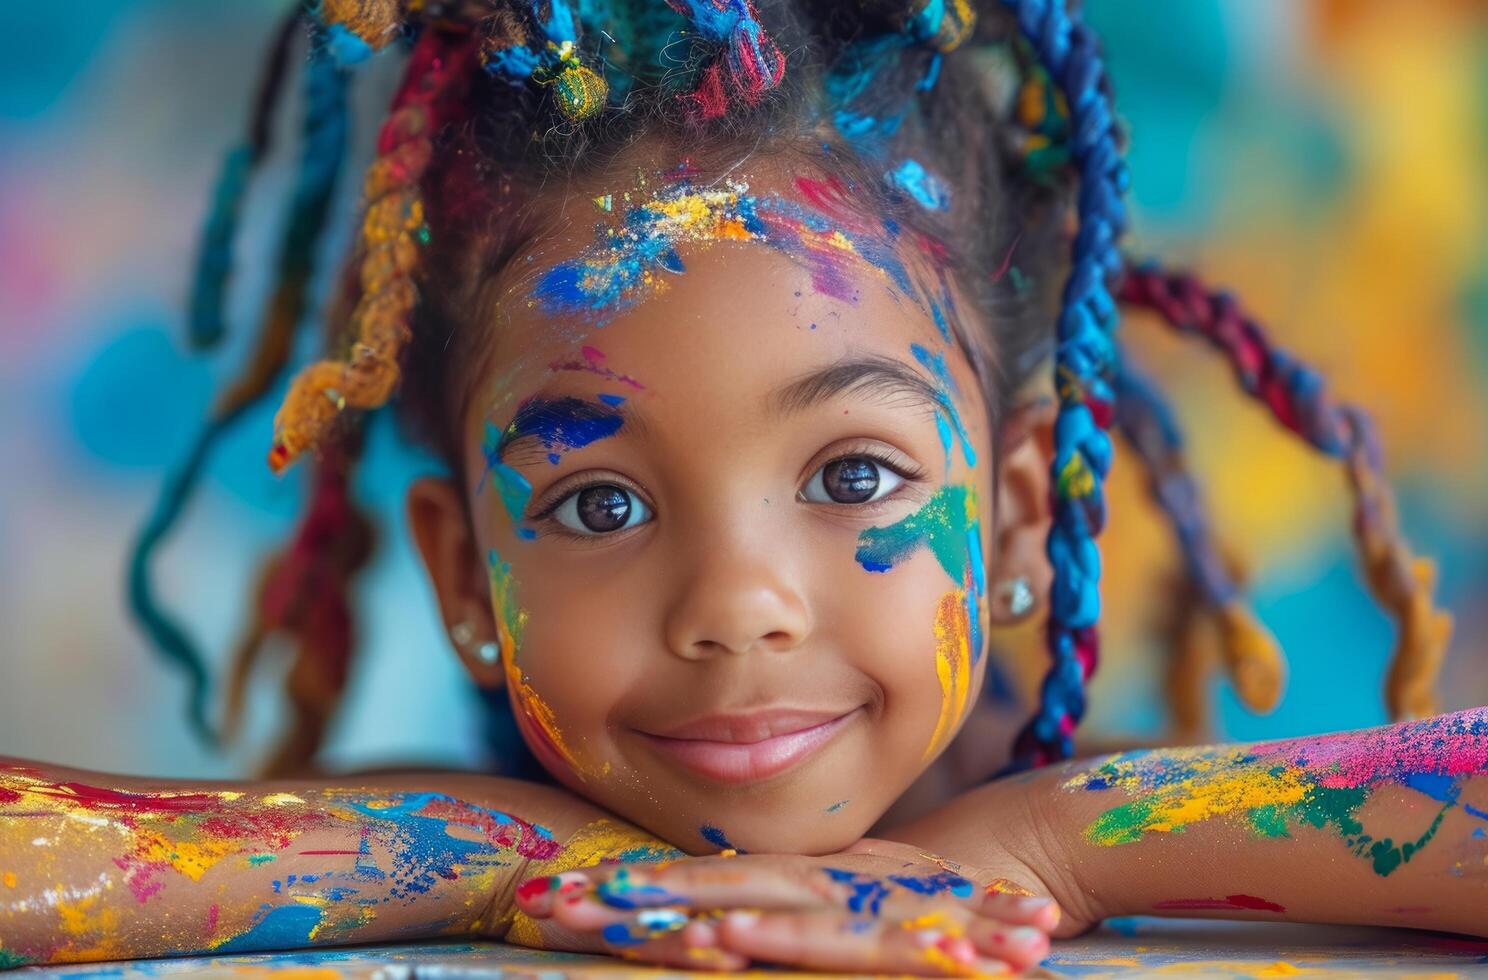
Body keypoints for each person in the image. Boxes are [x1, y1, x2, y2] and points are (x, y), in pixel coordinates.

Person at [3, 0, 1479, 974]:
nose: (736, 608)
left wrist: (1055, 842)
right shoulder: (462, 854)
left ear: (1022, 511)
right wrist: (502, 851)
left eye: (852, 472)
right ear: (466, 581)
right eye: (598, 504)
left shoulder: (1138, 851)